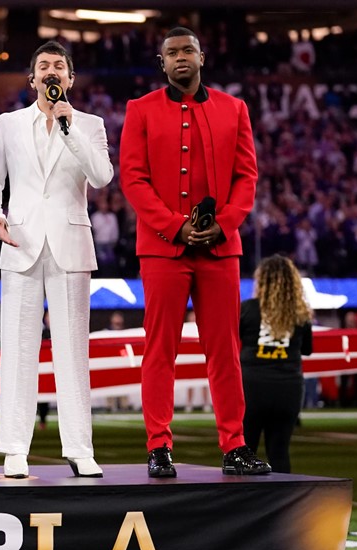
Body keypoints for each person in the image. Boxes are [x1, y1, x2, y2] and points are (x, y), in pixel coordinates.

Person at [118, 26, 270, 477]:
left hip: (220, 250)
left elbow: (247, 178)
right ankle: (159, 446)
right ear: (161, 63)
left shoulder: (234, 109)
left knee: (224, 348)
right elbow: (133, 179)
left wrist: (222, 226)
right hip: (164, 250)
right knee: (159, 348)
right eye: (171, 52)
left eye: (187, 50)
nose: (180, 57)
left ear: (202, 57)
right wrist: (175, 228)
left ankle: (235, 445)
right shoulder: (140, 110)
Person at [0, 40, 113, 479]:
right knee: (18, 349)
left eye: (59, 66)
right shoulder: (8, 124)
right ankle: (15, 448)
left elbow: (102, 176)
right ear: (32, 78)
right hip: (20, 244)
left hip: (70, 246)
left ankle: (80, 448)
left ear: (70, 79)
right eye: (43, 66)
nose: (51, 71)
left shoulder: (89, 124)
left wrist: (69, 128)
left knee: (73, 350)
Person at [240, 255, 313, 474]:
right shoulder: (301, 314)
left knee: (244, 452)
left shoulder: (248, 309)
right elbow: (307, 349)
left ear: (261, 281)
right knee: (279, 451)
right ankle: (283, 507)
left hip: (252, 386)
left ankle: (241, 506)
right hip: (288, 388)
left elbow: (233, 341)